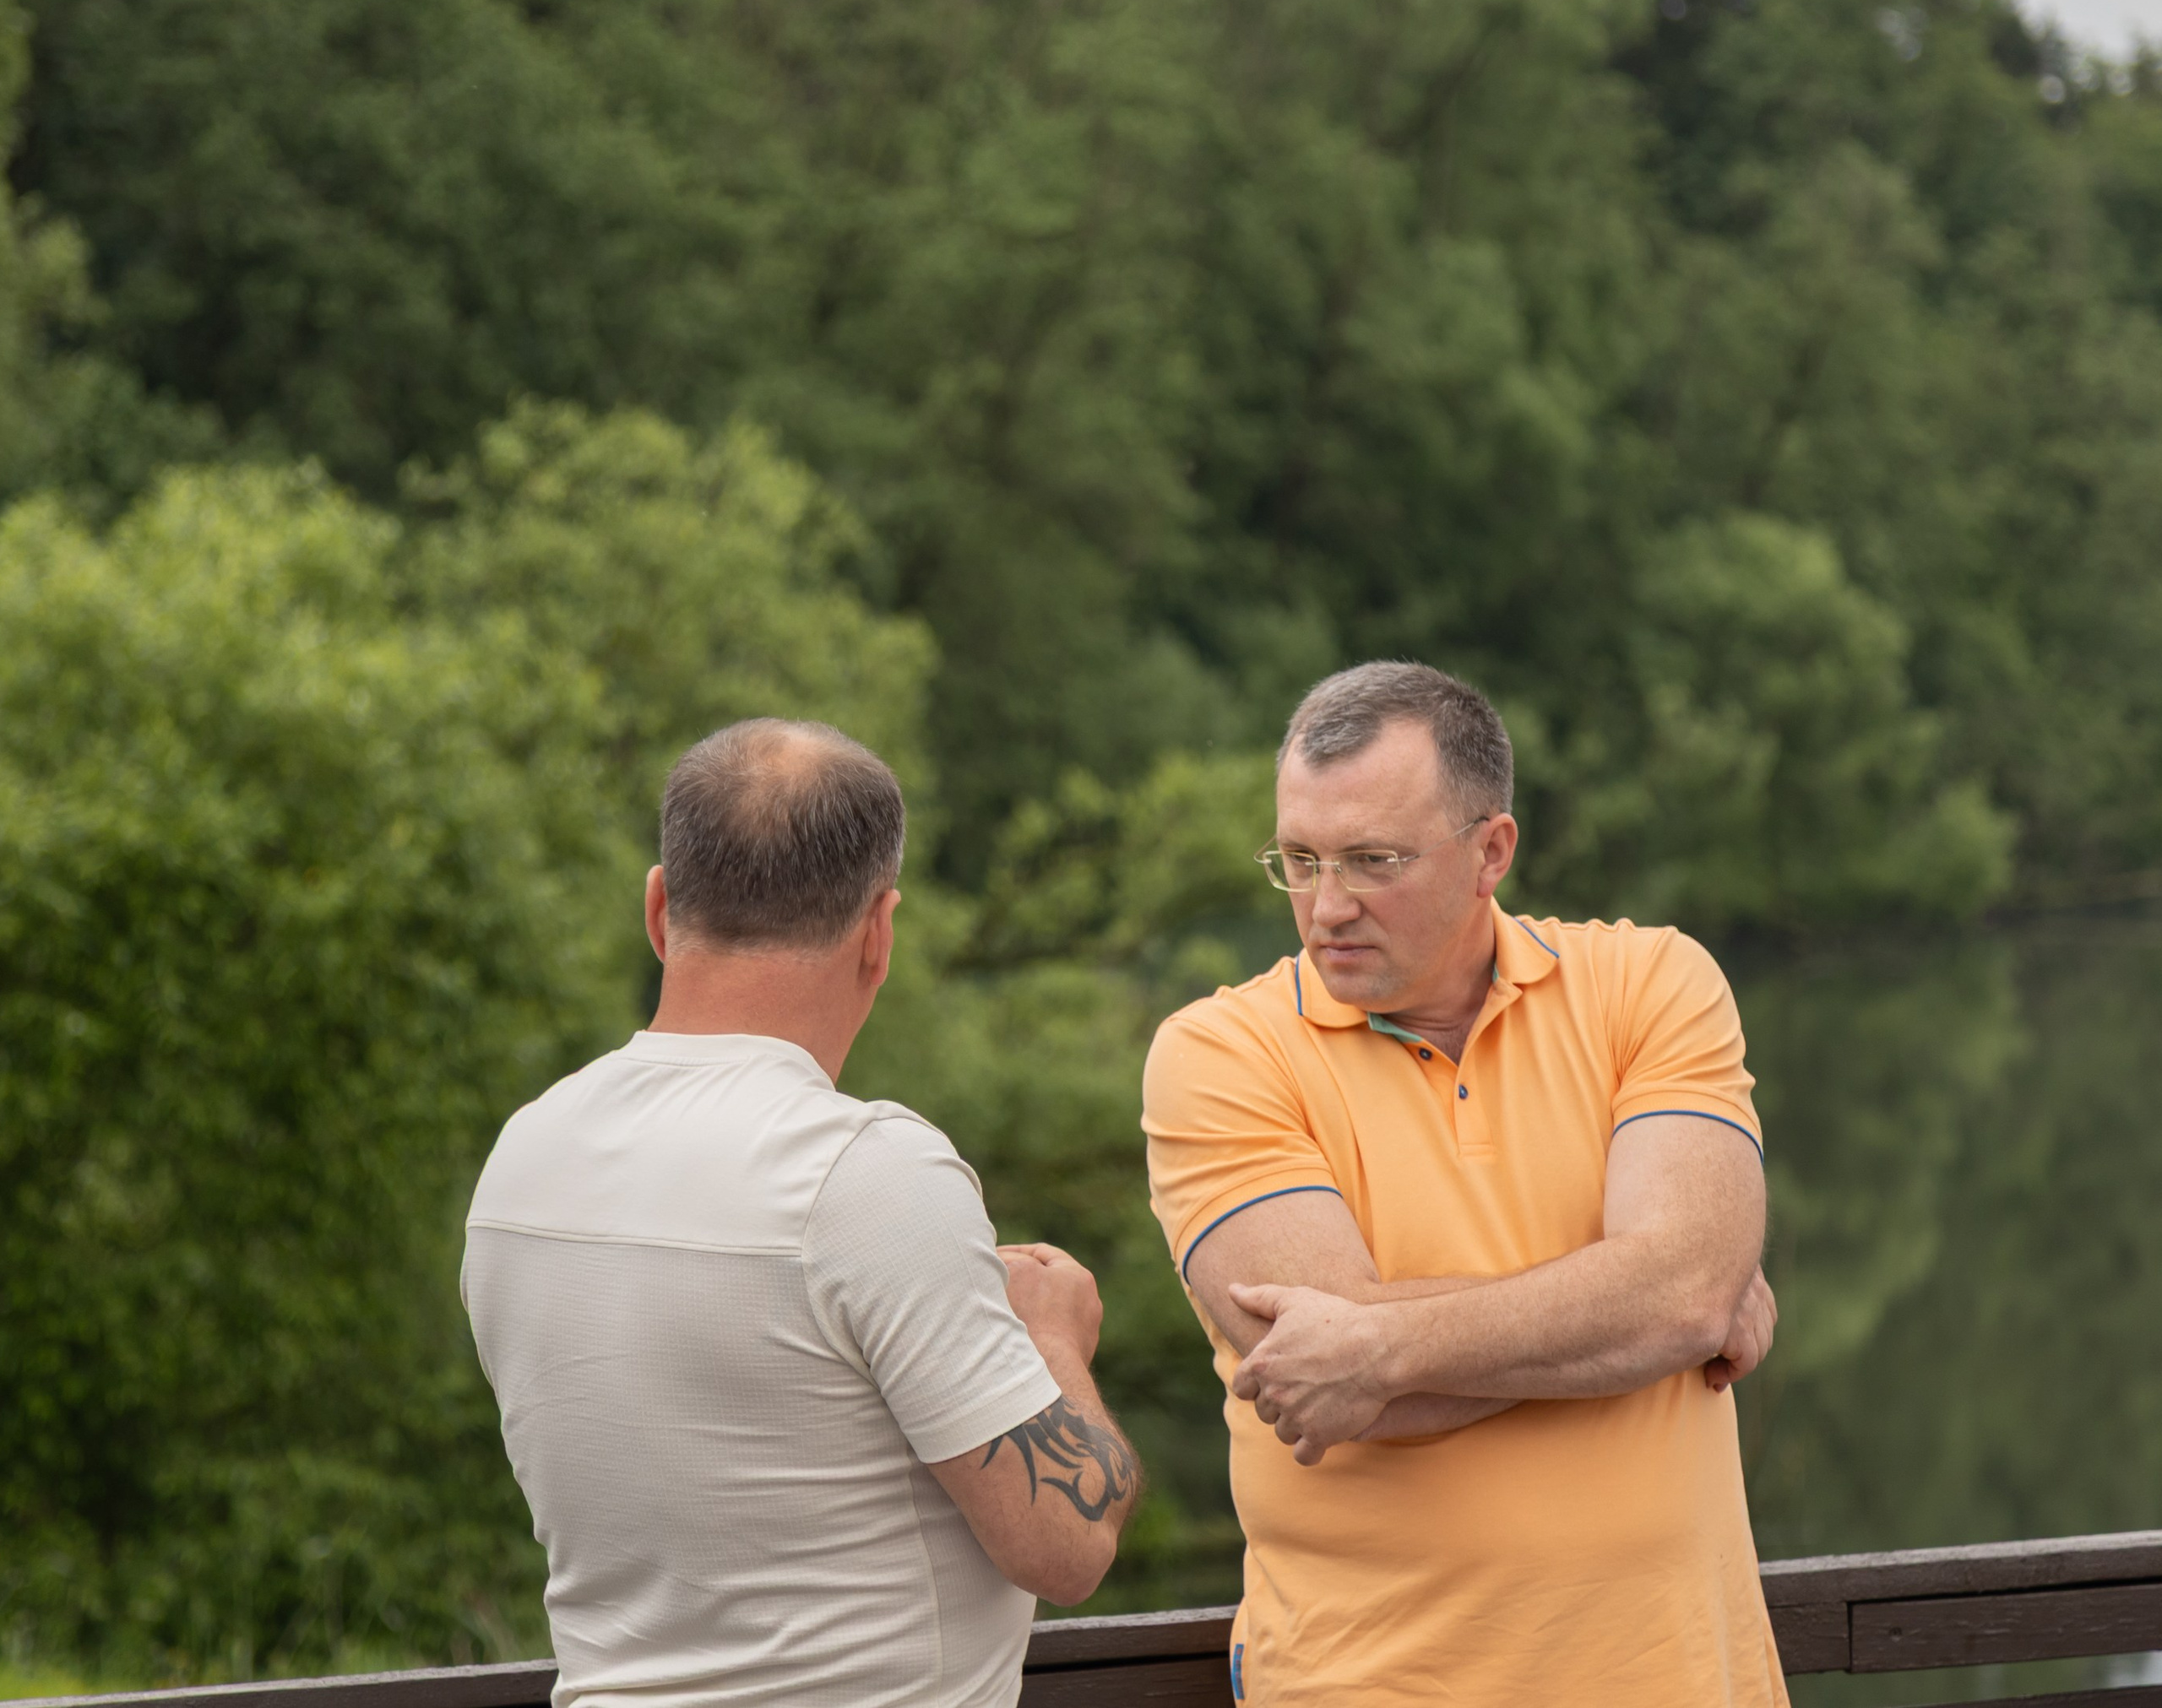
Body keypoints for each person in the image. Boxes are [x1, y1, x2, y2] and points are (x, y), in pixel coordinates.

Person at [1142, 662, 1786, 1708]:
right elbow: (1318, 1378)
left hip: (1675, 1678)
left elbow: (1681, 1292)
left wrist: (1382, 1343)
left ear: (1491, 850)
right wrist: (1643, 1300)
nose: (1326, 905)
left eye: (1372, 860)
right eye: (1298, 860)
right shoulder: (1217, 1055)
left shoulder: (1650, 981)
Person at [464, 718, 1139, 1708]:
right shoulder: (864, 1172)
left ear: (658, 908)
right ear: (880, 931)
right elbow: (1066, 1545)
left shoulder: (523, 1156)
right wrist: (1053, 1341)